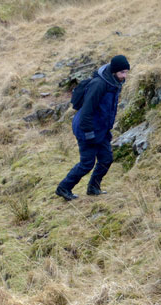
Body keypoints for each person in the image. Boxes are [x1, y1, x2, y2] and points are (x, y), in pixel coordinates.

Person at [55, 55, 131, 201]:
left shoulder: (114, 83)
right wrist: (89, 133)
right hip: (86, 129)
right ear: (114, 71)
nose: (124, 76)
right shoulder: (99, 84)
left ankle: (93, 188)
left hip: (101, 129)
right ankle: (63, 188)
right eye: (122, 72)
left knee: (106, 159)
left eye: (126, 72)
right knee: (87, 163)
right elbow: (87, 111)